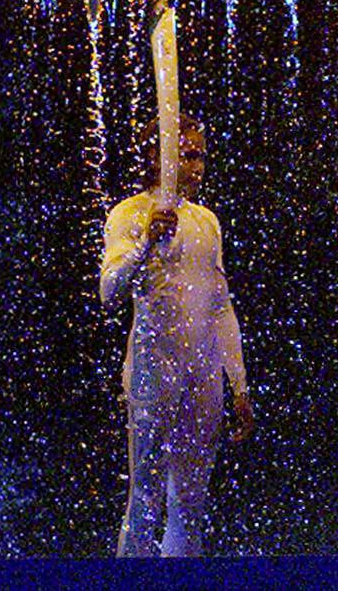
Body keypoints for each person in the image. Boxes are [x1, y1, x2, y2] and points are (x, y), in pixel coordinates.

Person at [99, 111, 253, 558]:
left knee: (190, 500)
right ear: (158, 157)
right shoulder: (129, 214)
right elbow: (109, 291)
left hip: (202, 374)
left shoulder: (207, 221)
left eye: (201, 157)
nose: (198, 167)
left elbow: (220, 305)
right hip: (154, 369)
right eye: (187, 156)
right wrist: (146, 243)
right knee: (145, 497)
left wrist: (238, 385)